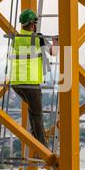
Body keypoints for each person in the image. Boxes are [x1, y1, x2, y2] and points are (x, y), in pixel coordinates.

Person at [10, 9, 58, 148]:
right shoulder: (38, 38)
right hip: (30, 83)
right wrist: (56, 41)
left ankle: (35, 136)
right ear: (33, 25)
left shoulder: (16, 39)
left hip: (16, 83)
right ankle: (42, 146)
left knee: (33, 109)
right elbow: (53, 52)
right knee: (37, 114)